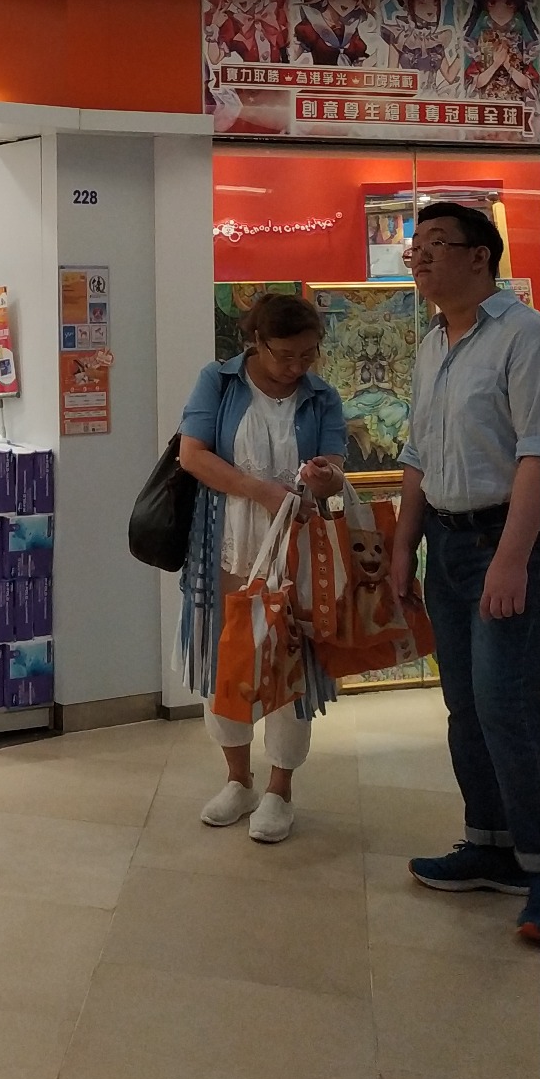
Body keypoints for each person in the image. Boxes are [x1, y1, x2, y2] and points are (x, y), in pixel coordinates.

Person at [391, 203, 540, 945]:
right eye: (414, 247)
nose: (419, 257)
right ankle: (490, 843)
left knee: (507, 705)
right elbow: (418, 455)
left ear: (480, 256)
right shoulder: (433, 345)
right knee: (464, 705)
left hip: (504, 543)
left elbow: (538, 454)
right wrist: (402, 548)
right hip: (446, 546)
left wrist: (511, 558)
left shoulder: (526, 336)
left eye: (436, 244)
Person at [177, 293, 347, 843]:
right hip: (226, 543)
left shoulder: (322, 396)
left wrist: (324, 478)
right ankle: (237, 779)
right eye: (285, 355)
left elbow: (335, 469)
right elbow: (192, 455)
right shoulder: (220, 381)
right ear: (257, 342)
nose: (297, 367)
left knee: (290, 664)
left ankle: (280, 788)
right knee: (225, 659)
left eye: (308, 355)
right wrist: (260, 490)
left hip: (296, 550)